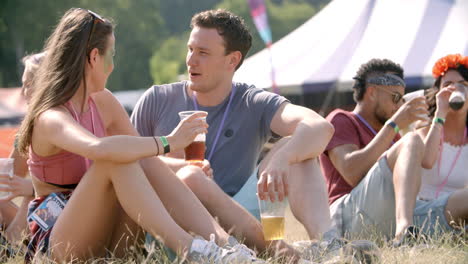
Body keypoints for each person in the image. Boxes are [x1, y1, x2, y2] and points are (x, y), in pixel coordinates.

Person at [16, 8, 267, 263]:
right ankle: (190, 248)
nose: (112, 66)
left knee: (141, 157)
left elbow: (145, 159)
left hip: (107, 238)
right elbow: (99, 149)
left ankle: (226, 249)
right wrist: (169, 142)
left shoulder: (103, 102)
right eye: (111, 55)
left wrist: (177, 162)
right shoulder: (50, 117)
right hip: (56, 242)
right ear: (94, 57)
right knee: (116, 159)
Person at [131, 9, 377, 263]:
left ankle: (328, 244)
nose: (191, 60)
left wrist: (282, 157)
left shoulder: (252, 101)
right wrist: (177, 163)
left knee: (297, 145)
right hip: (174, 219)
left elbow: (320, 127)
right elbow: (131, 161)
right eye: (190, 49)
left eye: (203, 53)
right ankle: (287, 254)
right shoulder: (157, 99)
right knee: (190, 176)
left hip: (241, 215)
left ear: (232, 60)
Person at [319, 58, 431, 244]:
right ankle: (404, 232)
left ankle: (406, 229)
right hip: (350, 218)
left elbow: (427, 163)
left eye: (402, 100)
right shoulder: (342, 119)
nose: (398, 106)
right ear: (372, 92)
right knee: (411, 140)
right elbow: (352, 173)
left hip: (387, 215)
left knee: (460, 201)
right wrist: (394, 125)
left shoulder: (392, 135)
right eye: (395, 97)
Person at [414, 54, 468, 235]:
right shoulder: (425, 128)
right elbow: (427, 161)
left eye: (462, 85)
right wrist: (440, 114)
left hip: (460, 216)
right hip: (423, 212)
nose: (455, 90)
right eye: (447, 85)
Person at [0, 53, 44, 250]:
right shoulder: (30, 128)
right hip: (41, 213)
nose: (23, 92)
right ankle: (9, 245)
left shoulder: (66, 125)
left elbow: (80, 183)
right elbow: (8, 180)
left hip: (65, 215)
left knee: (30, 195)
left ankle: (11, 247)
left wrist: (32, 188)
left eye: (28, 85)